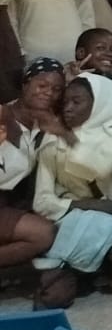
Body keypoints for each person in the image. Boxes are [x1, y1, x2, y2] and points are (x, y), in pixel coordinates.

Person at [30, 72, 112, 308]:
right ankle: (81, 273)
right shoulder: (53, 140)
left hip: (111, 220)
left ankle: (94, 271)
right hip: (69, 222)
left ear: (98, 105)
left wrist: (67, 137)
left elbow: (100, 166)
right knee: (53, 297)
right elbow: (41, 202)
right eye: (66, 102)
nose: (68, 108)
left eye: (77, 102)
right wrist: (88, 205)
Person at [1, 62, 60, 288]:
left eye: (56, 89)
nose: (49, 92)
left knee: (49, 230)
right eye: (42, 85)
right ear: (25, 84)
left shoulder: (44, 124)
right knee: (42, 234)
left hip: (11, 202)